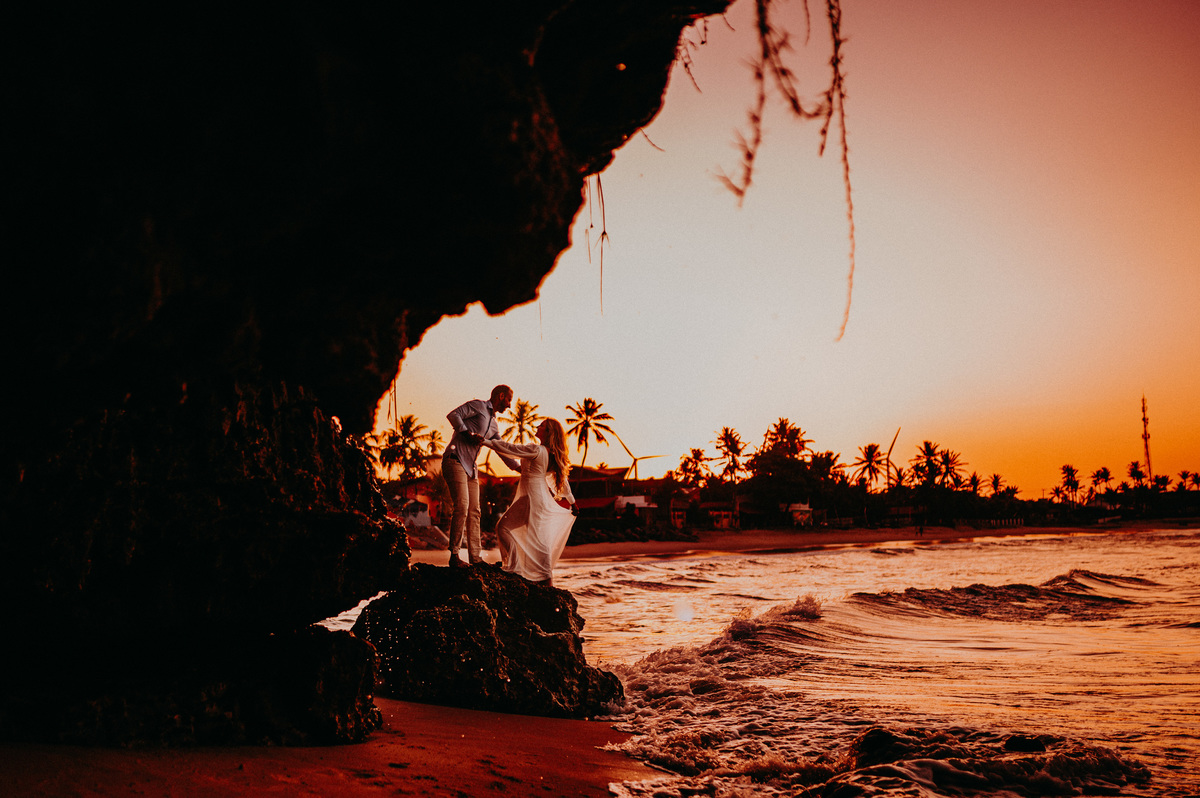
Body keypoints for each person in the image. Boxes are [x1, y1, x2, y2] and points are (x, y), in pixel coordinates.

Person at [481, 418, 576, 584]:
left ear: (548, 433)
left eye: (542, 426)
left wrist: (484, 441)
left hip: (531, 497)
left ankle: (518, 569)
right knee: (535, 539)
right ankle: (539, 577)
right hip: (537, 498)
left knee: (506, 529)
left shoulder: (536, 450)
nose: (537, 427)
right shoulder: (552, 454)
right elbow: (562, 481)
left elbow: (509, 449)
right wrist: (572, 502)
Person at [443, 385, 518, 566]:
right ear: (501, 396)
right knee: (462, 506)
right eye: (508, 400)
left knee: (475, 512)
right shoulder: (478, 406)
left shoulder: (493, 425)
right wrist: (467, 433)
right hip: (455, 460)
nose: (509, 406)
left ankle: (475, 559)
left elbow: (502, 450)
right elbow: (453, 415)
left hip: (472, 468)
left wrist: (519, 468)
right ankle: (454, 556)